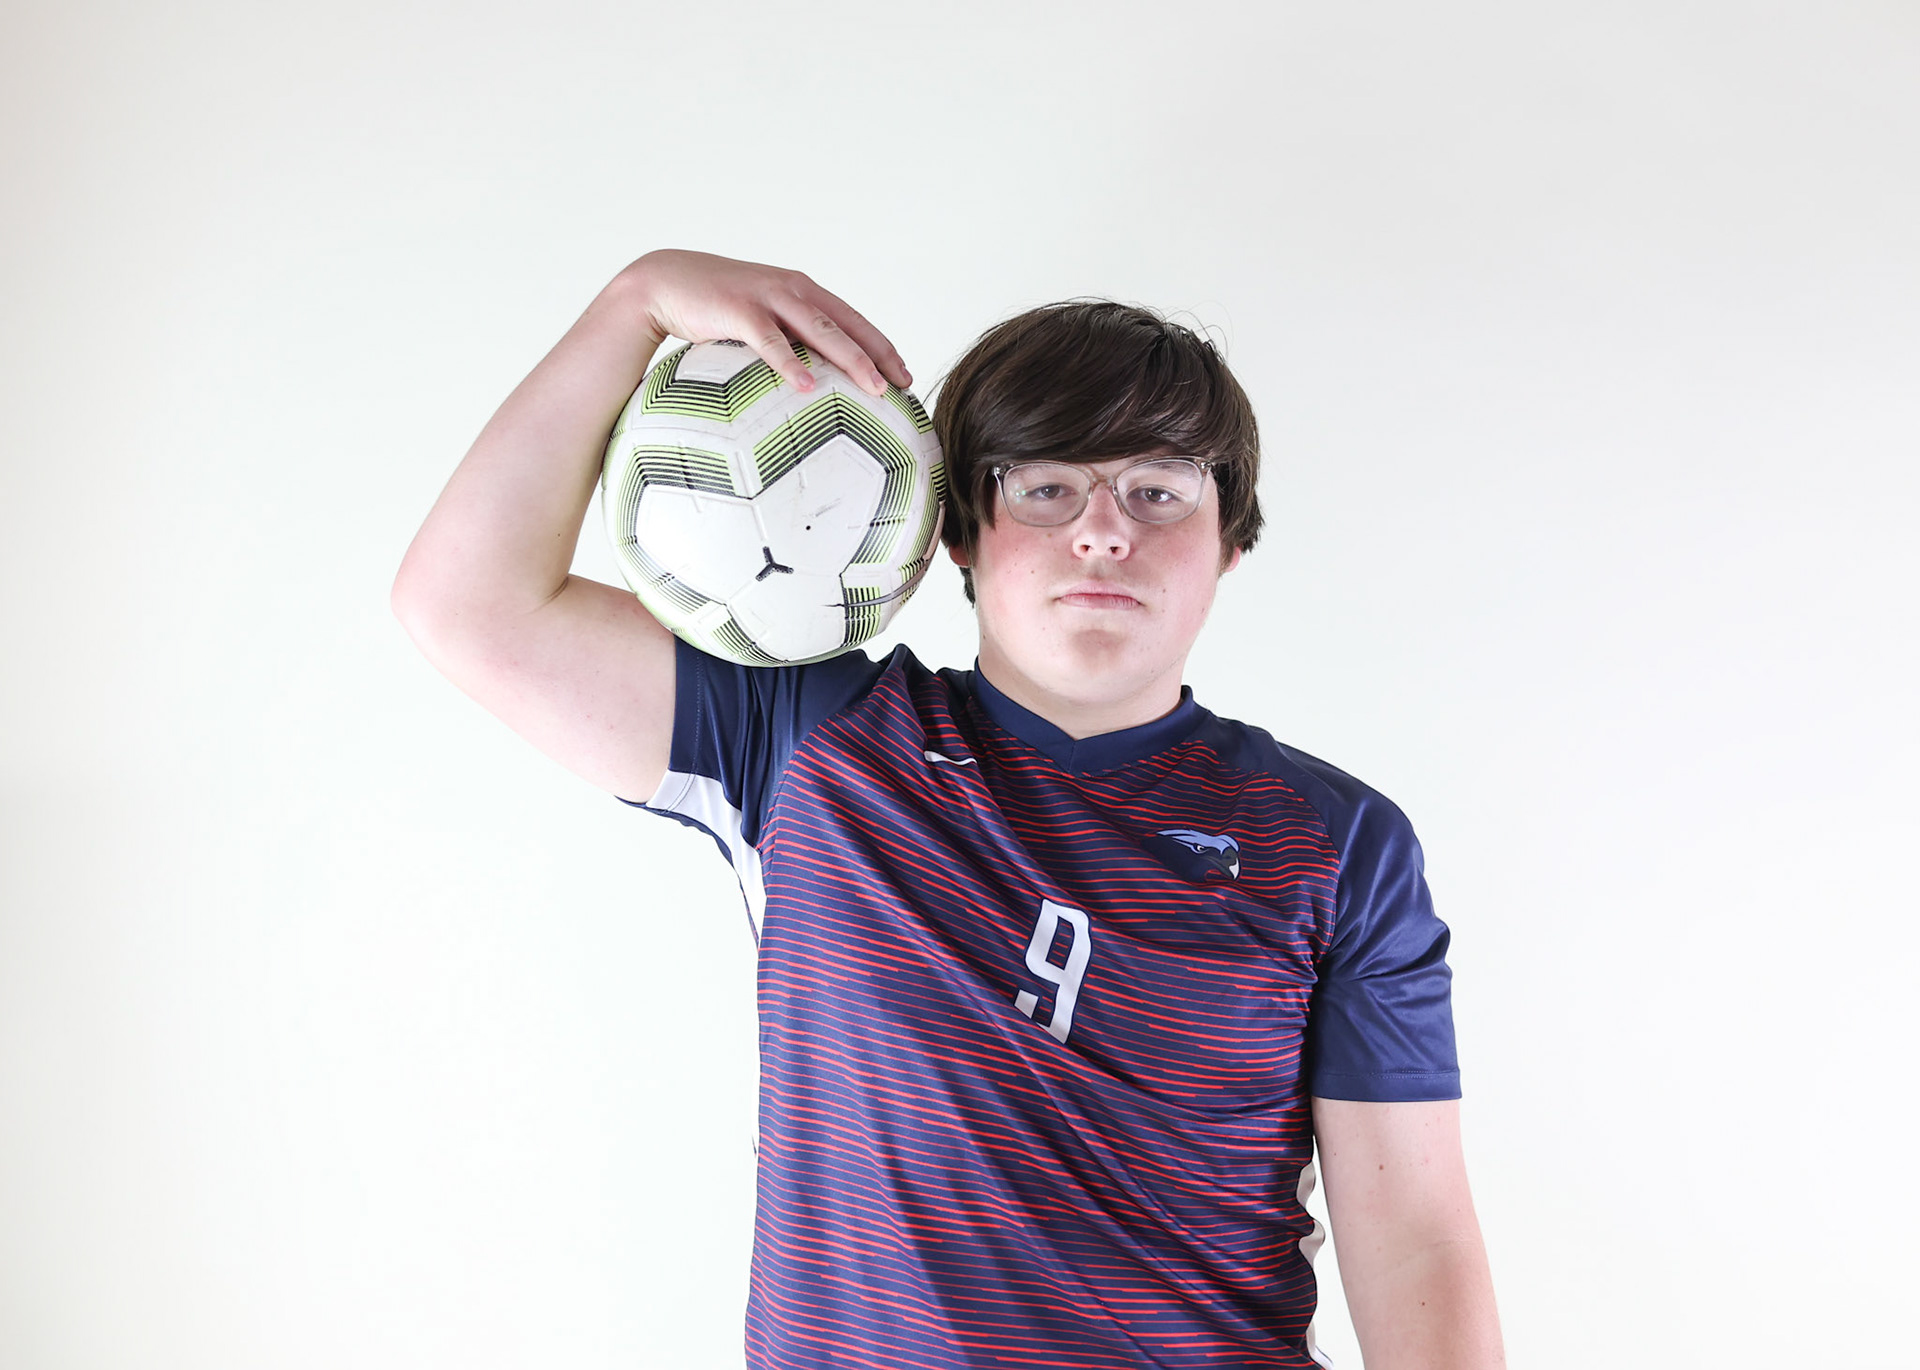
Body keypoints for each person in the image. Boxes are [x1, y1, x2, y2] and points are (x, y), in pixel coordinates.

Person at [392, 248, 1505, 1369]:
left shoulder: (1334, 841)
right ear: (956, 533)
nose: (1103, 530)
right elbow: (467, 601)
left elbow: (1415, 1239)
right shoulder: (811, 747)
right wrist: (637, 302)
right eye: (1046, 486)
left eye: (1158, 490)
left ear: (1233, 537)